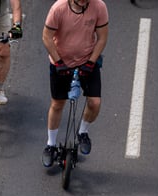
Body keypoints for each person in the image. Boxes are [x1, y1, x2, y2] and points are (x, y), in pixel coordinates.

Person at [40, 0, 109, 167]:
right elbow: (47, 37)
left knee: (94, 102)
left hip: (87, 61)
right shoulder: (58, 8)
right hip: (61, 63)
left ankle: (83, 132)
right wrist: (58, 63)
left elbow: (102, 38)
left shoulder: (99, 6)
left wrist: (91, 62)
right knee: (57, 104)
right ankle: (50, 144)